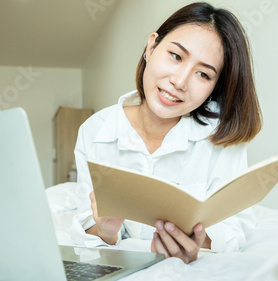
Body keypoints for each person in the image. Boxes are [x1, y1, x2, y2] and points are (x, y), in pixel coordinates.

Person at [70, 2, 262, 264]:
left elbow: (236, 227)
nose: (180, 82)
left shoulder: (223, 137)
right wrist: (106, 230)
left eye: (203, 74)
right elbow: (87, 228)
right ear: (151, 47)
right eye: (176, 56)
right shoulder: (94, 130)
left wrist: (199, 240)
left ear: (214, 87)